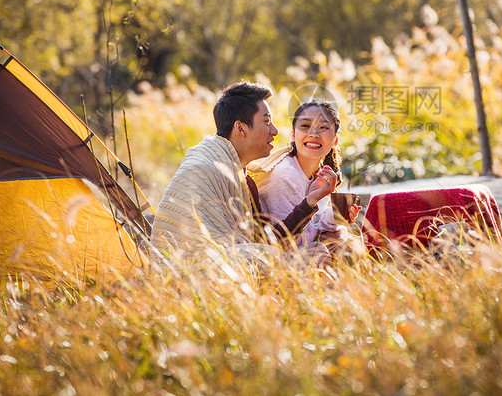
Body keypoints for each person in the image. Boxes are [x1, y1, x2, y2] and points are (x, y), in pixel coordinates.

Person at [149, 82, 337, 268]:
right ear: (240, 128)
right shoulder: (204, 167)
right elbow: (261, 248)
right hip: (190, 272)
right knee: (315, 254)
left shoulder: (242, 177)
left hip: (226, 263)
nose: (274, 130)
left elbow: (267, 241)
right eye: (266, 121)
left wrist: (310, 202)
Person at [248, 99, 361, 250]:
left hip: (300, 249)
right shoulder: (286, 176)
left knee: (351, 241)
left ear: (335, 140)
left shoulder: (320, 174)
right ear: (293, 135)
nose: (314, 134)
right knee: (339, 242)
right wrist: (335, 230)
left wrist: (335, 217)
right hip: (277, 253)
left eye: (323, 127)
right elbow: (288, 240)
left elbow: (312, 221)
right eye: (305, 126)